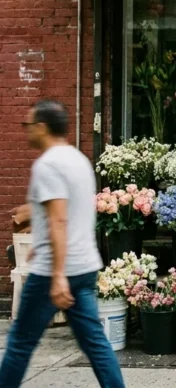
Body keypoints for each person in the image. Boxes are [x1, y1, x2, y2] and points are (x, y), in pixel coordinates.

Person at [0, 100, 125, 387]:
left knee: (20, 342)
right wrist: (41, 240)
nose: (26, 130)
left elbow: (58, 220)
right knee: (95, 343)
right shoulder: (79, 160)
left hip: (54, 272)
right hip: (84, 266)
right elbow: (69, 211)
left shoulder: (48, 165)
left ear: (42, 127)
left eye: (28, 125)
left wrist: (57, 275)